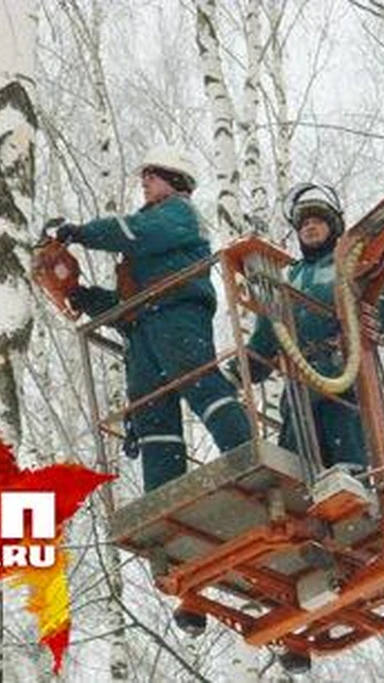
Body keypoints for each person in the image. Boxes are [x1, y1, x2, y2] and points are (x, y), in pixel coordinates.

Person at [55, 144, 252, 494]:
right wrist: (83, 297)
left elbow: (135, 232)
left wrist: (81, 233)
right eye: (144, 175)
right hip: (143, 327)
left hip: (177, 315)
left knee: (200, 384)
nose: (144, 181)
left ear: (174, 180)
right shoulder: (149, 237)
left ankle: (247, 458)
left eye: (151, 175)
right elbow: (126, 305)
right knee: (152, 413)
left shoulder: (178, 213)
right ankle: (164, 493)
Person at [239, 183, 384, 473]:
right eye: (304, 223)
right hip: (299, 384)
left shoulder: (352, 263)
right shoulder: (288, 278)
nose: (310, 227)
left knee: (346, 450)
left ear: (333, 225)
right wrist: (246, 367)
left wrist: (373, 312)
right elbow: (269, 328)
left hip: (342, 374)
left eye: (317, 221)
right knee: (296, 466)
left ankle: (352, 482)